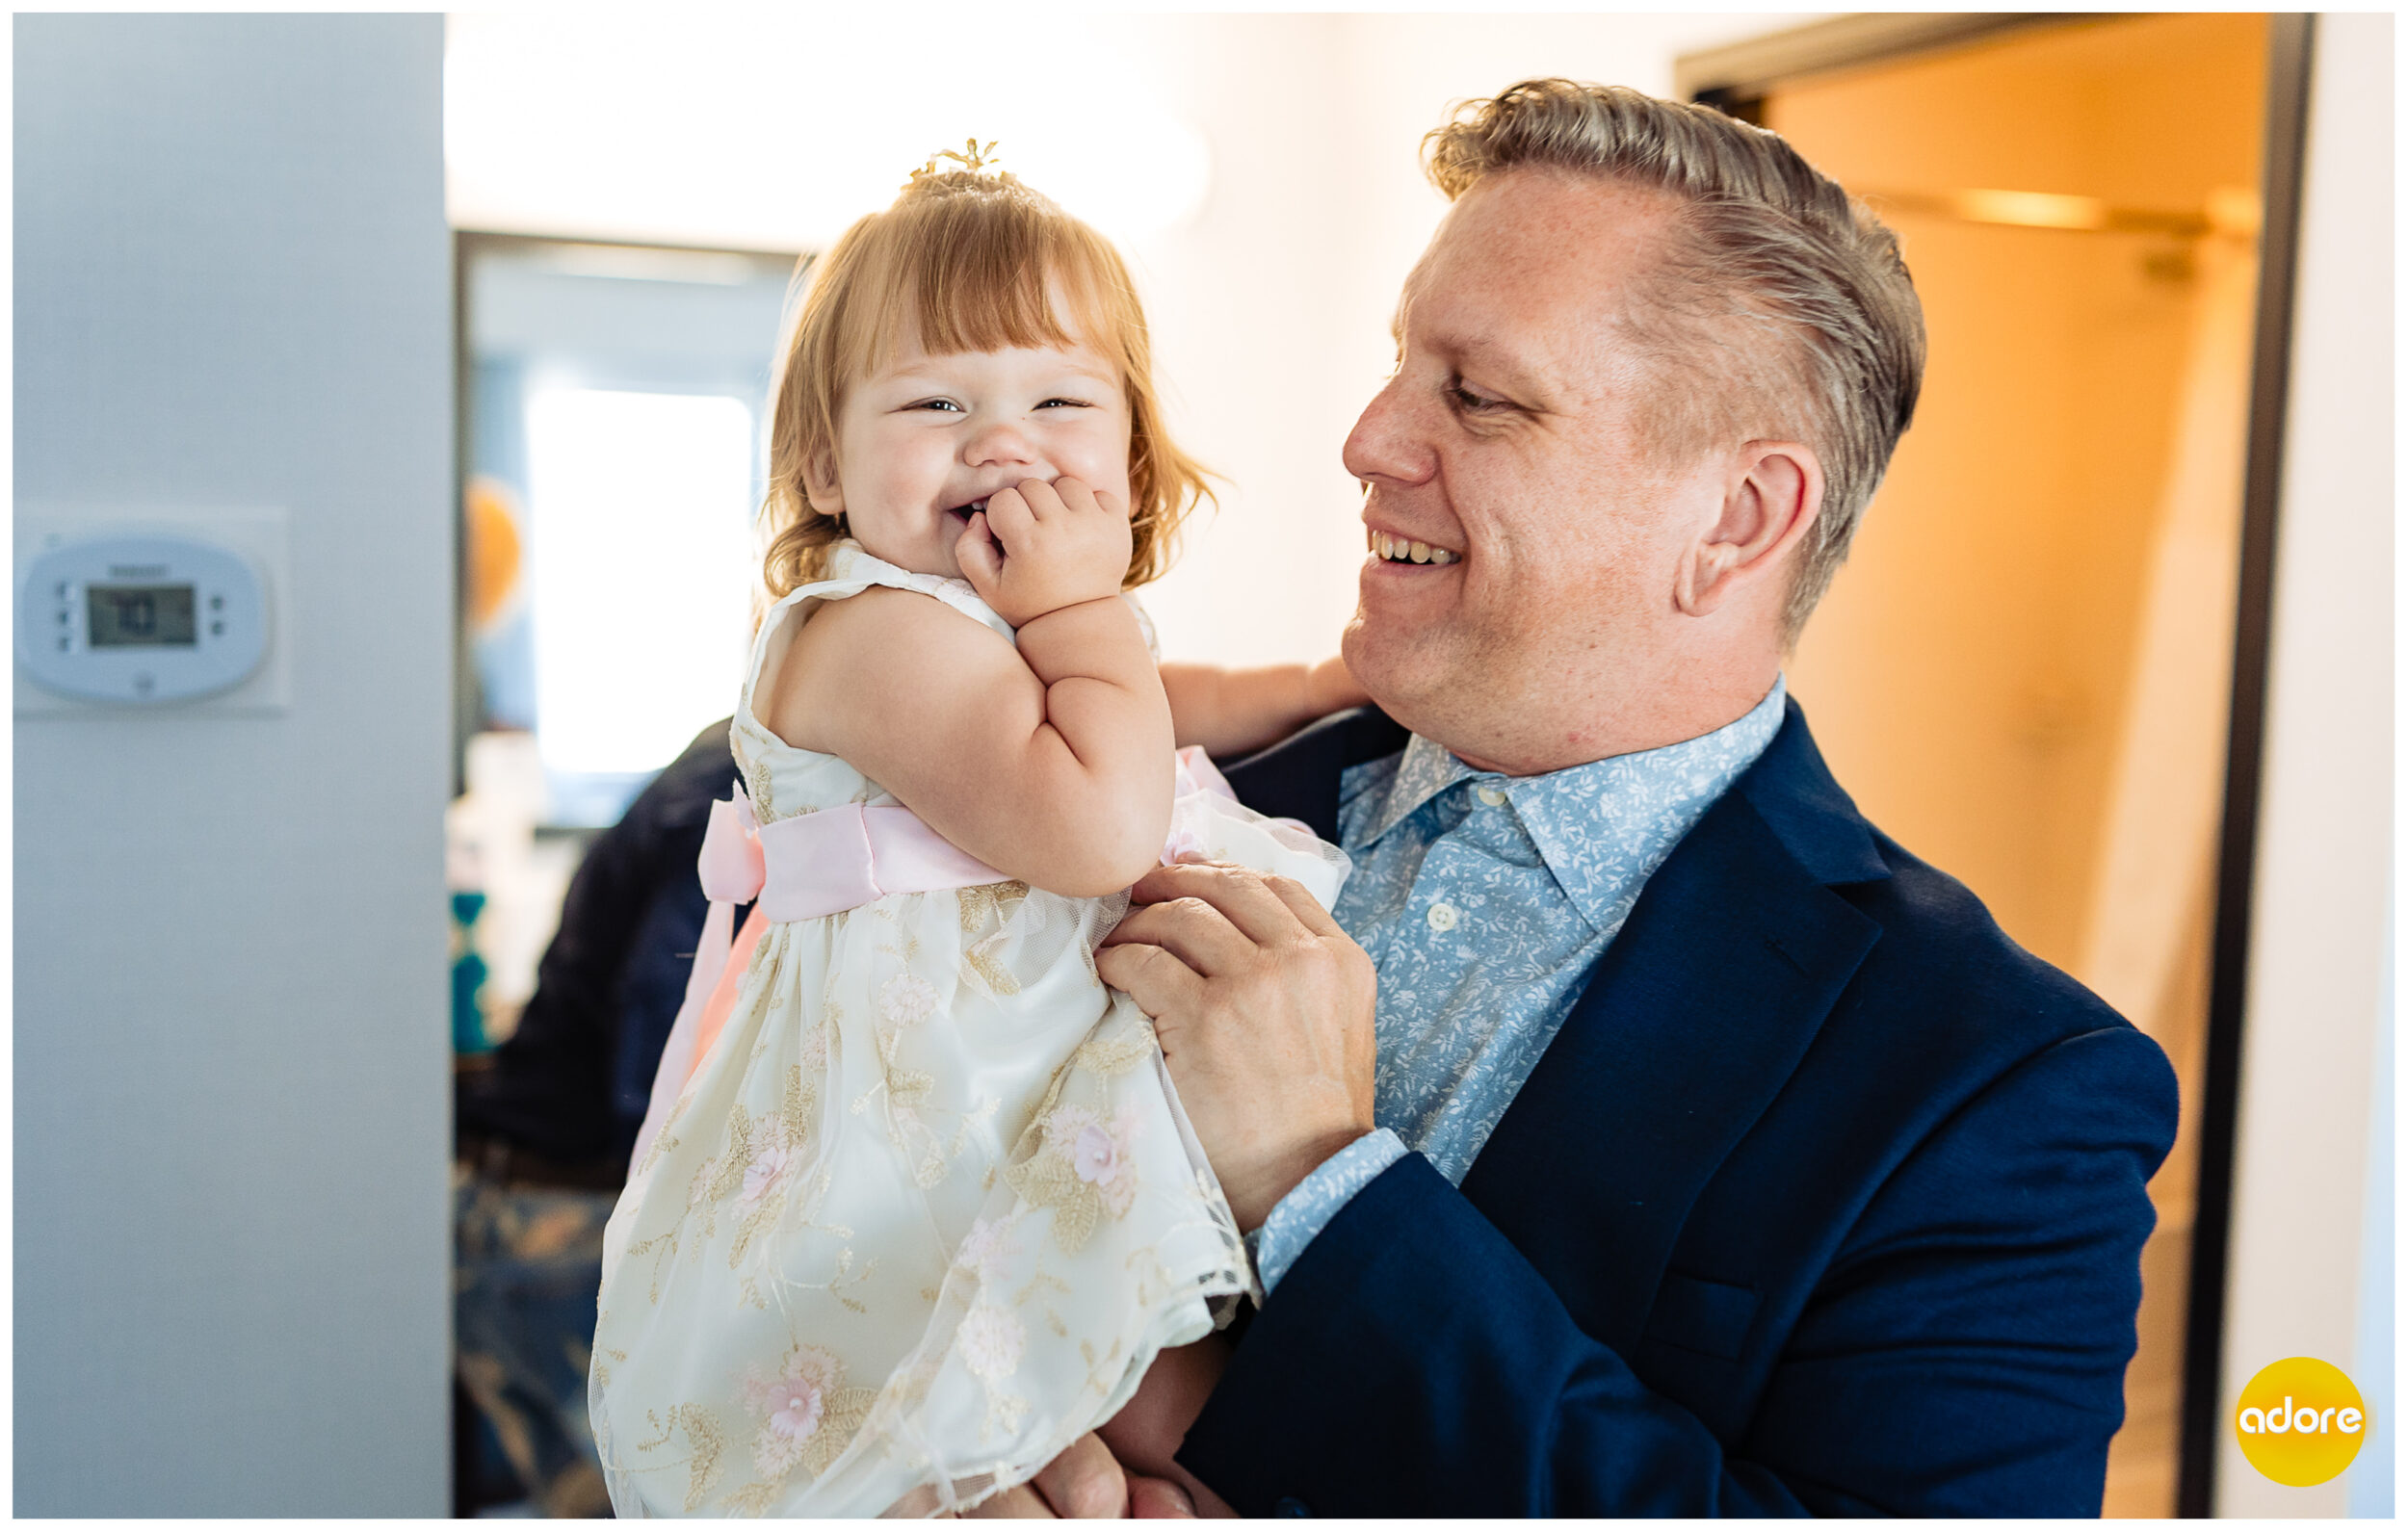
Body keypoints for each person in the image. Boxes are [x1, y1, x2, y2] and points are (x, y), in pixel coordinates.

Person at [1068, 80, 2180, 1517]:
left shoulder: (1999, 1089)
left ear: (1736, 520)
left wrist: (1313, 1176)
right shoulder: (1125, 799)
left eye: (1479, 395)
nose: (1369, 441)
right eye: (1402, 364)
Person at [587, 153, 1366, 1518]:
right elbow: (1100, 820)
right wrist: (1079, 610)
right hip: (929, 1132)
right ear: (824, 462)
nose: (1004, 442)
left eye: (1059, 400)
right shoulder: (870, 635)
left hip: (1005, 1092)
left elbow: (1143, 709)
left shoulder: (995, 637)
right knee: (1103, 1395)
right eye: (938, 402)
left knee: (1144, 1387)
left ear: (1130, 461)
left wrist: (1305, 688)